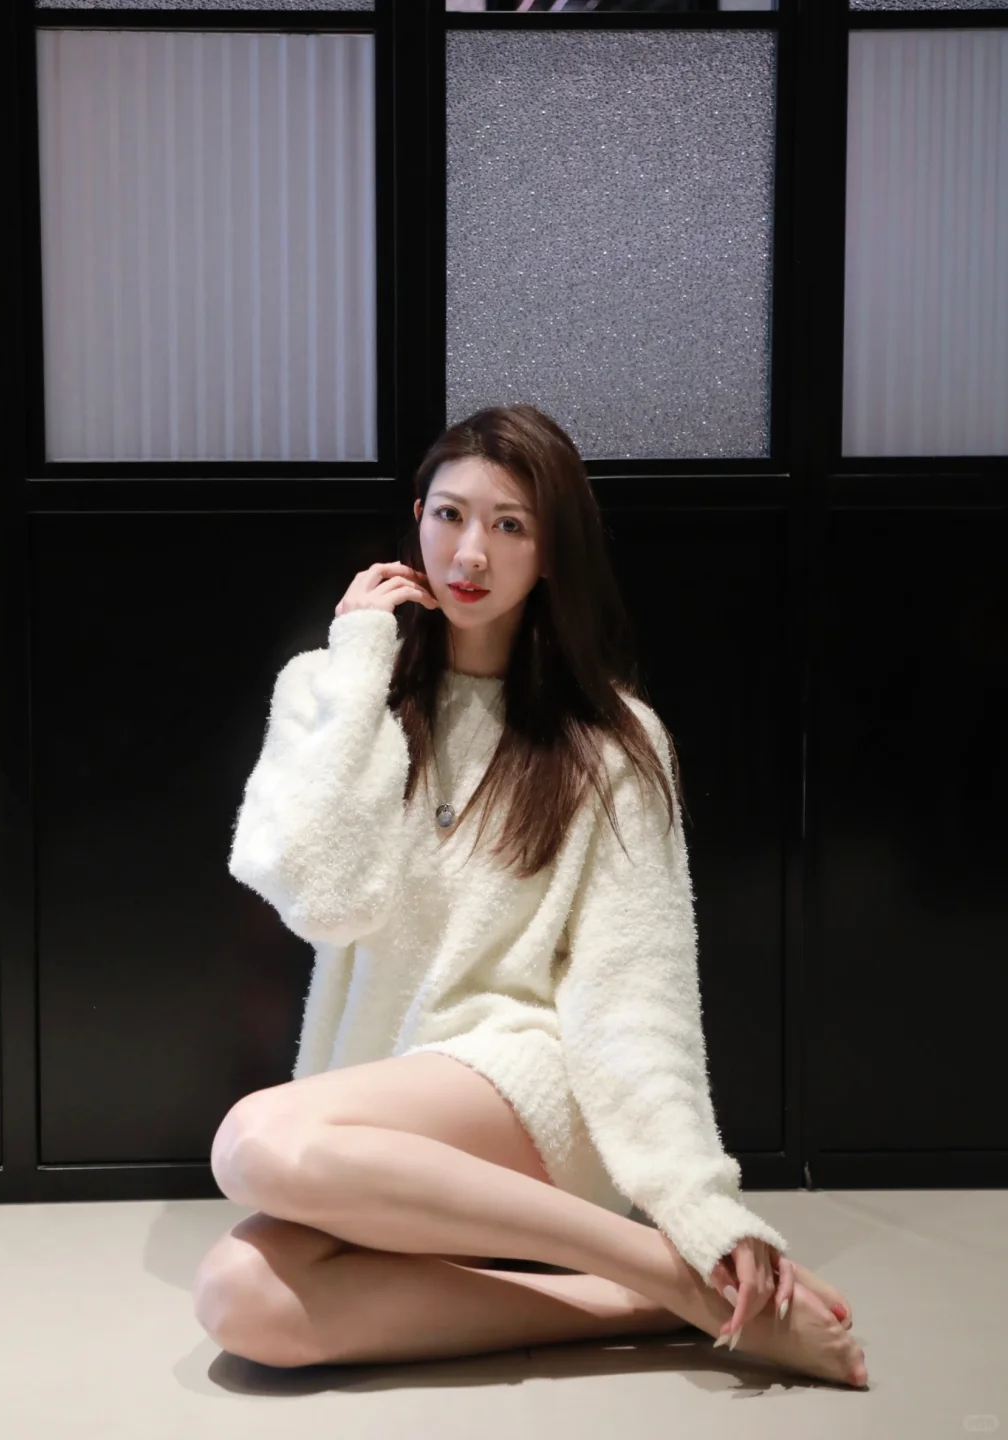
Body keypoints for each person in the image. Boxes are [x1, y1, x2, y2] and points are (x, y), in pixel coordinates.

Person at [196, 405, 868, 1388]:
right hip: (384, 1128)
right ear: (417, 520)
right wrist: (360, 661)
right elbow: (322, 898)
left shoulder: (612, 744)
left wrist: (696, 1205)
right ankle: (659, 1296)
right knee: (239, 1297)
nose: (471, 552)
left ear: (551, 552)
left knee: (253, 1139)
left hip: (535, 1089)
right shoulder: (336, 690)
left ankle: (670, 1265)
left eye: (509, 525)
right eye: (450, 515)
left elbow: (638, 996)